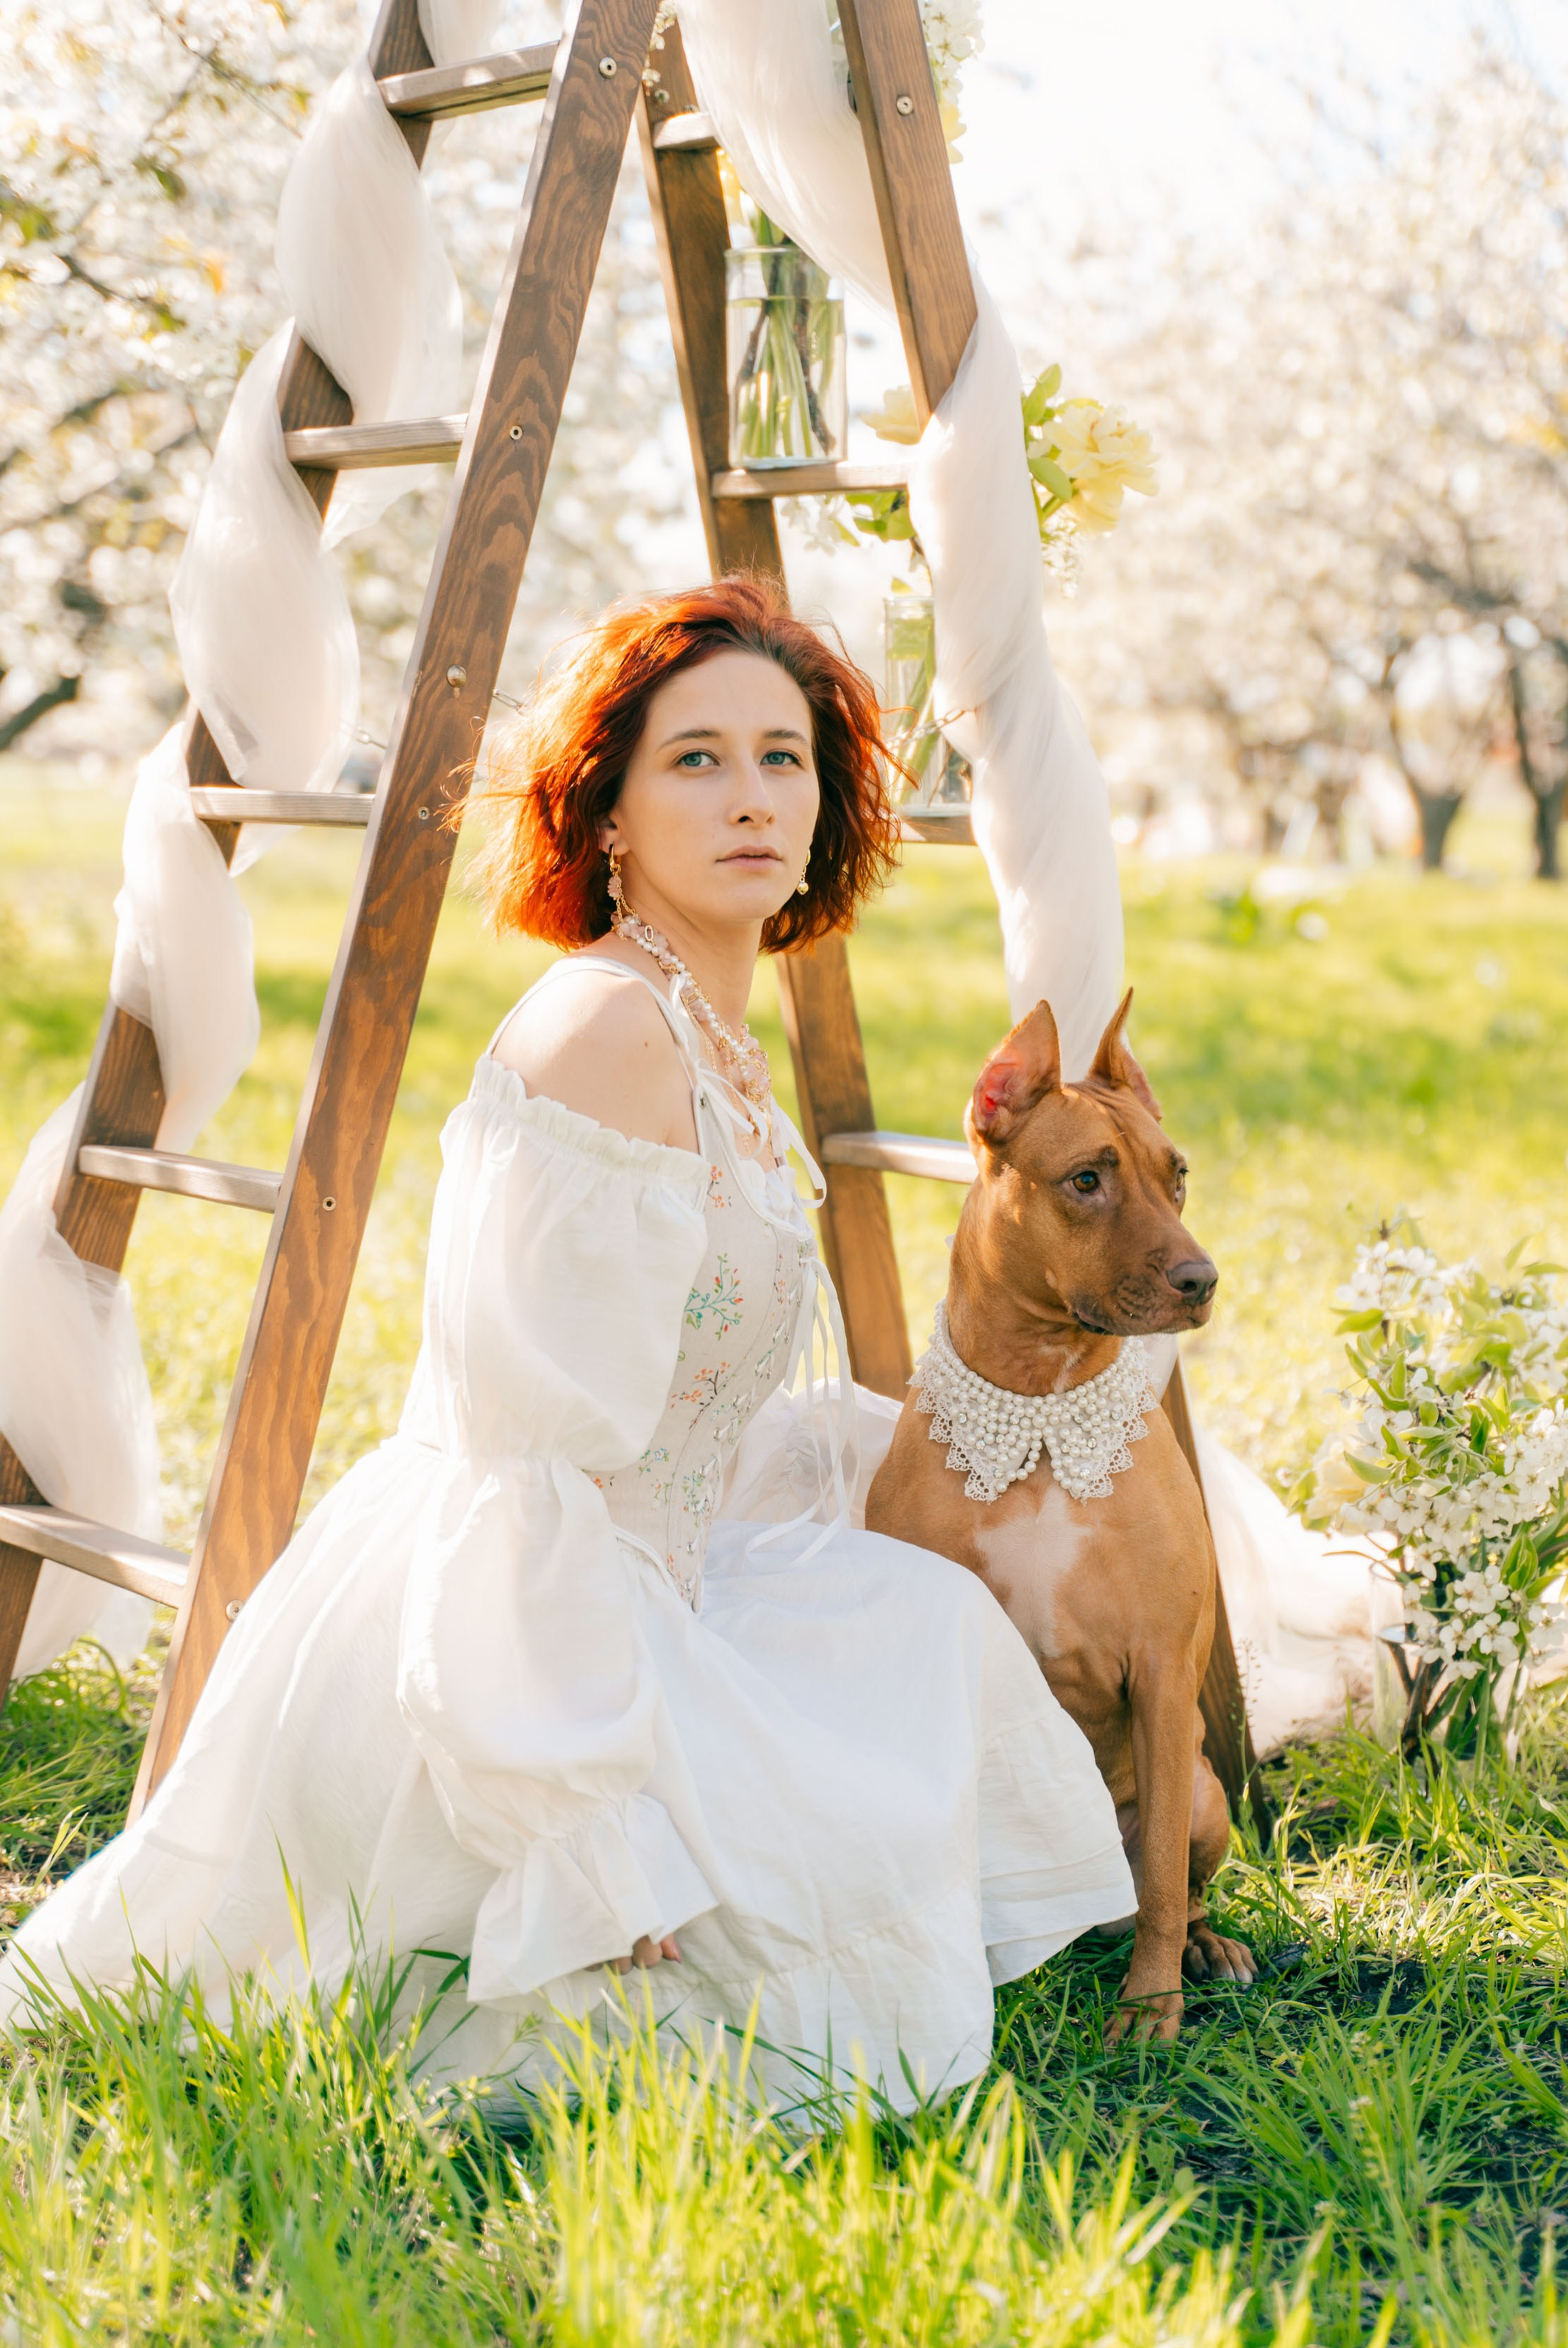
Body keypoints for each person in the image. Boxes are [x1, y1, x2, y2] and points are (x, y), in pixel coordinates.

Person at [0, 578, 1135, 2105]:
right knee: (771, 1972)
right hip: (503, 1639)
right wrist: (591, 1828)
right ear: (604, 808)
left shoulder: (706, 1030)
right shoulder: (602, 1034)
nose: (751, 798)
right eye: (695, 759)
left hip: (639, 1574)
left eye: (783, 758)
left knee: (909, 1630)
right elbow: (521, 1468)